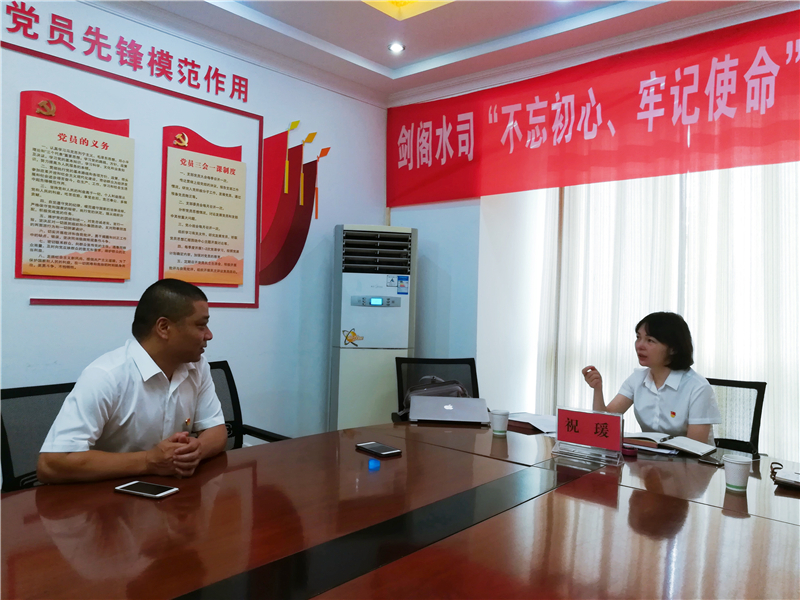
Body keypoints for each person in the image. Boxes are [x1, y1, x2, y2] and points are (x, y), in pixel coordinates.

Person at [37, 279, 228, 484]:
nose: (209, 335)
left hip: (171, 490)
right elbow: (51, 463)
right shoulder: (106, 376)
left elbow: (216, 431)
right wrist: (149, 461)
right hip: (105, 495)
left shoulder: (196, 366)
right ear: (164, 327)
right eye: (201, 325)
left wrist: (195, 451)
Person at [582, 311, 721, 444]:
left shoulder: (698, 387)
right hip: (650, 458)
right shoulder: (637, 379)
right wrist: (597, 389)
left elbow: (695, 448)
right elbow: (604, 422)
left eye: (650, 340)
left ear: (673, 349)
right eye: (638, 337)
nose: (639, 346)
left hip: (689, 460)